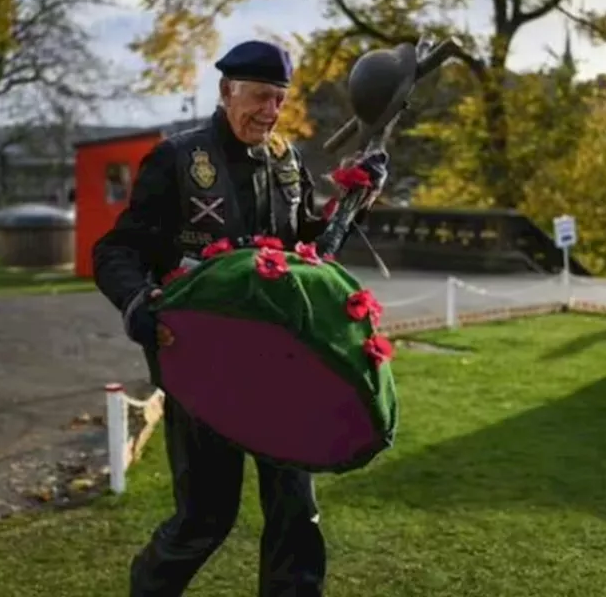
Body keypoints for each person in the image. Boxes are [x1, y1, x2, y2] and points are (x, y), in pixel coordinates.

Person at [92, 39, 387, 597]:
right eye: (259, 98)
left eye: (279, 100)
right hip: (204, 366)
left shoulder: (286, 160)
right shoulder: (177, 159)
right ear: (227, 91)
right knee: (205, 518)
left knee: (295, 511)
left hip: (283, 364)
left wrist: (355, 200)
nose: (270, 112)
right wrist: (140, 306)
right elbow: (117, 251)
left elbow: (312, 251)